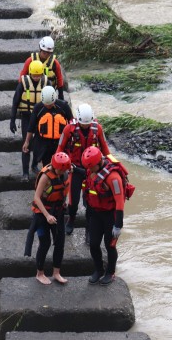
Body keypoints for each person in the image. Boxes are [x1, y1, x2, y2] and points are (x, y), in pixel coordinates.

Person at [56, 103, 111, 242]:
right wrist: (58, 166)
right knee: (73, 201)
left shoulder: (97, 129)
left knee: (90, 202)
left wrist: (112, 165)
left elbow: (105, 149)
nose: (85, 126)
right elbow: (60, 147)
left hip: (92, 172)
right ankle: (71, 219)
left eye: (87, 124)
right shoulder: (69, 129)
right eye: (83, 124)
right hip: (75, 169)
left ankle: (88, 228)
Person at [81, 146, 127, 286]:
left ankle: (110, 272)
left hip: (110, 216)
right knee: (94, 244)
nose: (90, 170)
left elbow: (119, 202)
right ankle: (98, 270)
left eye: (92, 167)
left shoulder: (113, 178)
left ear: (98, 162)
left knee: (109, 246)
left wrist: (118, 225)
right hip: (95, 213)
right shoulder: (91, 170)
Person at [29, 152, 72, 285]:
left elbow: (67, 190)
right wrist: (47, 216)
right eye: (59, 170)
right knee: (45, 243)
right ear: (54, 166)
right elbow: (36, 197)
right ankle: (40, 273)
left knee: (60, 242)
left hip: (58, 212)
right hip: (42, 214)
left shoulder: (66, 172)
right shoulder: (46, 177)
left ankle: (56, 273)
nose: (61, 172)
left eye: (63, 170)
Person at [10, 60, 48, 180]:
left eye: (39, 75)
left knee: (39, 143)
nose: (36, 78)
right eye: (34, 75)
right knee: (26, 143)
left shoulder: (47, 82)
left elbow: (53, 100)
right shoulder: (23, 83)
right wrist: (12, 119)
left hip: (41, 117)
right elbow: (15, 101)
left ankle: (35, 165)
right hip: (27, 116)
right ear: (30, 73)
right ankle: (25, 172)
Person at [22, 86, 73, 169]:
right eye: (46, 104)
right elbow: (31, 127)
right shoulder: (38, 108)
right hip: (43, 141)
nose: (48, 106)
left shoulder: (63, 106)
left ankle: (58, 179)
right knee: (47, 165)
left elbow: (72, 123)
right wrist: (27, 142)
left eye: (50, 104)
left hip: (59, 141)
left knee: (59, 164)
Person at [19, 36, 65, 100]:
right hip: (31, 93)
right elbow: (22, 77)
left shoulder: (55, 63)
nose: (46, 55)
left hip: (48, 95)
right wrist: (19, 92)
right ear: (40, 49)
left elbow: (59, 79)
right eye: (44, 52)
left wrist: (61, 96)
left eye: (48, 53)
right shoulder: (30, 61)